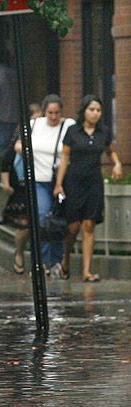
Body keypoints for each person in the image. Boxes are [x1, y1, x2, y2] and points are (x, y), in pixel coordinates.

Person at [54, 94, 123, 282]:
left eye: (98, 110)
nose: (95, 114)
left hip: (94, 181)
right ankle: (66, 259)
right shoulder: (73, 131)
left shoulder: (104, 132)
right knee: (73, 226)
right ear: (84, 111)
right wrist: (59, 184)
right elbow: (65, 158)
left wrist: (116, 163)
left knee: (89, 224)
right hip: (74, 181)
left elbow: (110, 151)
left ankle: (86, 270)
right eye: (91, 110)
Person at [12, 94, 75, 276]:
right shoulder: (34, 125)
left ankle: (55, 259)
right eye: (50, 113)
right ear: (44, 112)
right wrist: (27, 151)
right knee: (42, 218)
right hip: (39, 179)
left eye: (57, 113)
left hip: (59, 180)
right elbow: (17, 145)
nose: (53, 117)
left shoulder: (68, 126)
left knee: (57, 221)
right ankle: (44, 260)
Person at [1, 103, 42, 274]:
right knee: (24, 226)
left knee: (41, 224)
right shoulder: (20, 137)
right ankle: (19, 253)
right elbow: (6, 160)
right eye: (34, 118)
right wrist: (6, 183)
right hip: (22, 185)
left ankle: (39, 261)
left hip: (40, 182)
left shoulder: (46, 136)